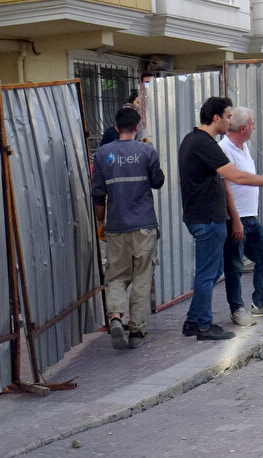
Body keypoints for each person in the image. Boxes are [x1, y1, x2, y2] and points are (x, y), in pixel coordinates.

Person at [178, 97, 263, 341]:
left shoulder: (191, 140)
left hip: (201, 217)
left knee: (211, 273)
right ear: (216, 118)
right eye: (228, 116)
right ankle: (203, 326)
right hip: (208, 219)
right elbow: (237, 178)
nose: (230, 121)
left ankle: (193, 321)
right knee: (207, 274)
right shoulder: (207, 144)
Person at [91, 107, 165, 350]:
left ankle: (114, 317)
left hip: (115, 226)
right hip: (144, 226)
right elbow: (158, 181)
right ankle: (136, 330)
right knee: (142, 277)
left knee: (116, 276)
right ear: (137, 127)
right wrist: (151, 155)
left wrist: (101, 224)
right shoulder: (145, 151)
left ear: (115, 128)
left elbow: (98, 195)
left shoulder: (102, 154)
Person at [219, 107, 263, 327]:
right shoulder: (224, 149)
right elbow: (226, 187)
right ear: (243, 128)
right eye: (253, 123)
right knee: (235, 266)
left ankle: (259, 303)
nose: (255, 127)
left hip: (251, 217)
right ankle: (237, 309)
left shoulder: (244, 146)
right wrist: (235, 218)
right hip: (236, 218)